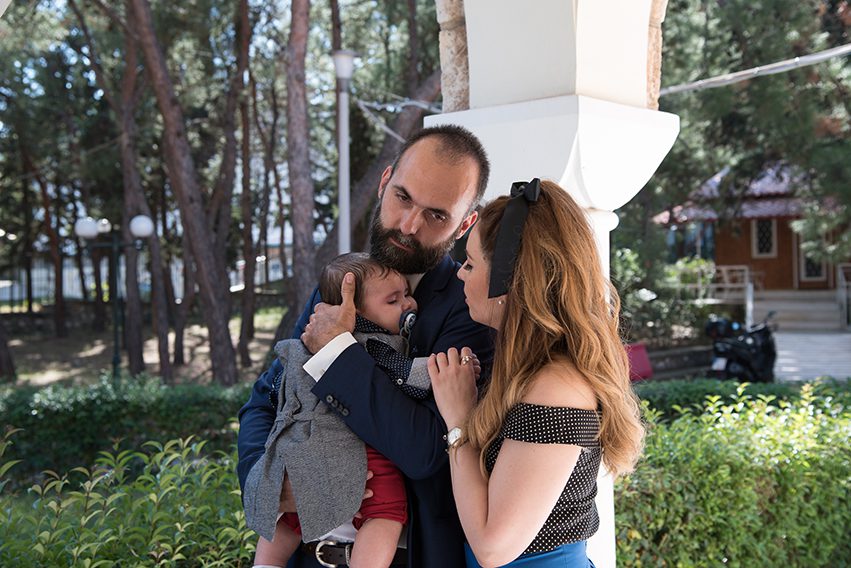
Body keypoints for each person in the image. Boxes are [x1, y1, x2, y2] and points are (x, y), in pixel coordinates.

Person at [237, 124, 495, 568]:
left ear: (464, 224)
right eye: (403, 197)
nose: (409, 225)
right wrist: (267, 481)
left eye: (436, 216)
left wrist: (337, 352)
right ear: (384, 181)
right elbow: (268, 399)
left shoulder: (471, 310)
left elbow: (425, 450)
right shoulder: (344, 283)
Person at [427, 179, 645, 568]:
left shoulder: (557, 386)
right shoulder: (532, 371)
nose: (460, 274)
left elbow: (493, 548)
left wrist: (458, 420)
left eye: (471, 264)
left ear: (509, 283)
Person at [248, 253, 449, 568]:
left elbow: (276, 390)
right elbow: (407, 375)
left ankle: (265, 563)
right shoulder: (373, 344)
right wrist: (443, 370)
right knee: (386, 510)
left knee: (289, 518)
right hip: (358, 449)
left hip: (302, 443)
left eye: (407, 294)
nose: (409, 304)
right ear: (353, 312)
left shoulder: (309, 340)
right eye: (394, 300)